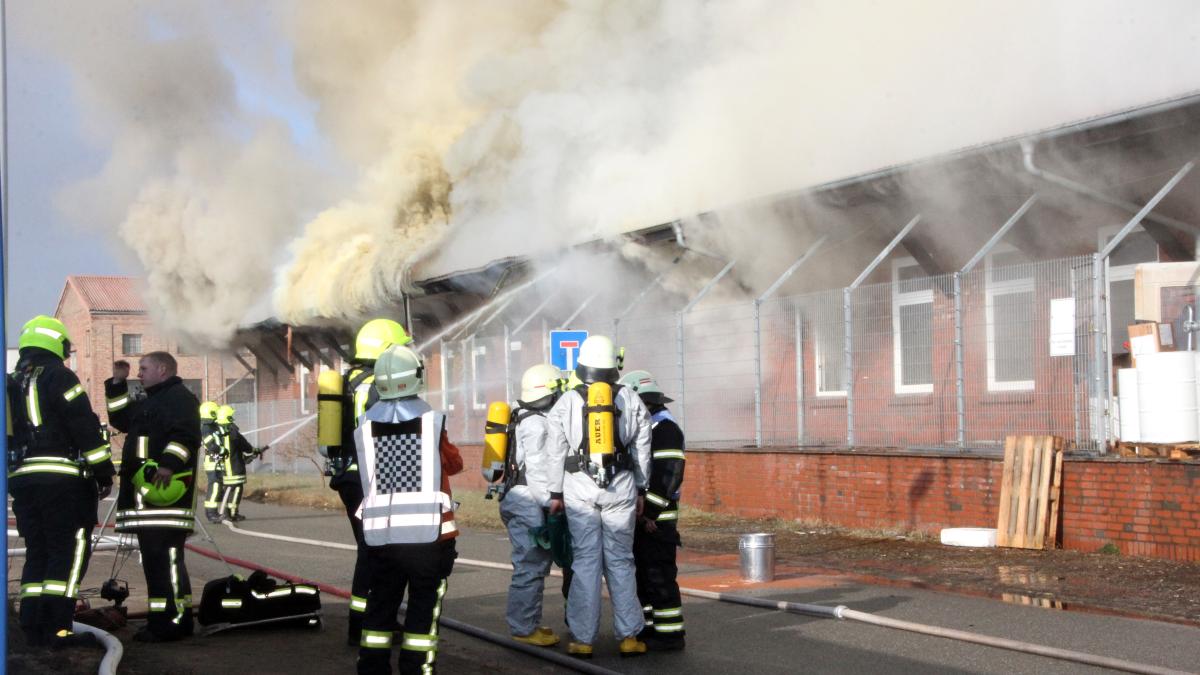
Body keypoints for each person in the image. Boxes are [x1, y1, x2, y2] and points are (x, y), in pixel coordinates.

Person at [7, 315, 115, 648]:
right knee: (66, 553)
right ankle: (59, 629)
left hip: (22, 482)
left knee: (37, 551)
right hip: (63, 484)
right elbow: (83, 425)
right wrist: (104, 471)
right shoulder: (60, 376)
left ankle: (31, 627)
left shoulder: (11, 382)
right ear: (57, 344)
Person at [353, 345, 461, 675]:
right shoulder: (432, 422)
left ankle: (372, 669)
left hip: (382, 539)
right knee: (423, 612)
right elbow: (453, 463)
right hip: (428, 539)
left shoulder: (364, 424)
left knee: (379, 608)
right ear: (416, 376)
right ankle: (416, 670)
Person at [547, 335, 652, 658]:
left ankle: (583, 638)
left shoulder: (567, 402)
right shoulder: (631, 399)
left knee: (585, 562)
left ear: (583, 364)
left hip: (579, 491)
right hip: (621, 488)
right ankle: (629, 636)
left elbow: (555, 451)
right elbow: (642, 447)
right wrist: (641, 487)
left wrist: (555, 492)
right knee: (621, 561)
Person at [322, 318, 412, 645]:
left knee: (371, 549)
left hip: (349, 476)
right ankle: (366, 625)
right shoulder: (377, 385)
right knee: (378, 552)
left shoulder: (348, 381)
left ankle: (365, 621)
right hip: (369, 477)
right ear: (388, 351)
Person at [105, 351, 201, 642]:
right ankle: (162, 621)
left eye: (143, 368)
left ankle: (173, 623)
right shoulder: (151, 401)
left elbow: (186, 436)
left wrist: (169, 464)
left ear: (162, 369)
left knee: (166, 561)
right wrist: (117, 383)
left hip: (166, 500)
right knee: (156, 564)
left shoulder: (180, 398)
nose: (139, 373)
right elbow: (120, 418)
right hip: (149, 500)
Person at [618, 369, 687, 650]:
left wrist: (650, 513)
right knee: (643, 576)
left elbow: (669, 474)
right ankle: (648, 627)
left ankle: (670, 635)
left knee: (659, 577)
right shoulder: (649, 427)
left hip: (657, 521)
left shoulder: (665, 429)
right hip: (643, 518)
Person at [500, 364, 566, 647]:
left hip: (517, 498)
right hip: (528, 501)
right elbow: (537, 470)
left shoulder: (519, 413)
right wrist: (551, 501)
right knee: (530, 565)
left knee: (533, 565)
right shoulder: (536, 424)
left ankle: (528, 623)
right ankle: (523, 629)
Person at [214, 404, 262, 522]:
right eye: (231, 416)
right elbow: (246, 447)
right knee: (236, 490)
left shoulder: (218, 432)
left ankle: (227, 512)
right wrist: (254, 450)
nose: (233, 418)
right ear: (228, 417)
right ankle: (232, 514)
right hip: (234, 467)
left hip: (225, 467)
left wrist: (247, 456)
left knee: (229, 490)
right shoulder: (233, 433)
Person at [199, 401, 224, 523]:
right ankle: (211, 513)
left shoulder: (214, 427)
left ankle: (215, 512)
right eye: (216, 412)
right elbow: (212, 446)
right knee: (214, 487)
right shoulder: (206, 428)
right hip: (212, 462)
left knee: (218, 487)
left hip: (217, 461)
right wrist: (224, 450)